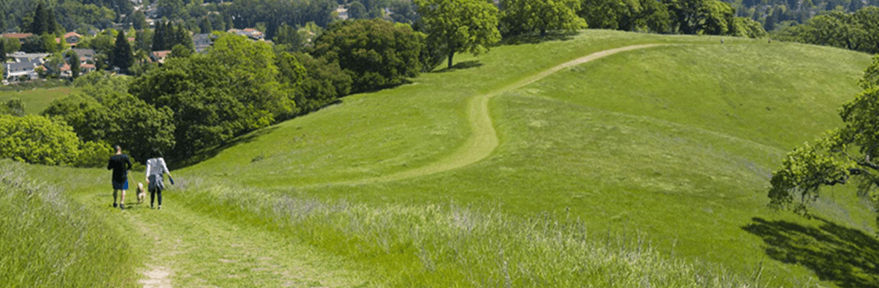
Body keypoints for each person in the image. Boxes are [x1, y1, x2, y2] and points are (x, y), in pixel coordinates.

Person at [107, 145, 132, 210]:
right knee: (123, 189)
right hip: (123, 175)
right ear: (120, 149)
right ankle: (122, 202)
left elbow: (109, 168)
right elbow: (130, 165)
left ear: (114, 150)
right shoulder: (125, 156)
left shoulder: (112, 158)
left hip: (115, 176)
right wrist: (127, 170)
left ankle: (115, 202)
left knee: (115, 189)